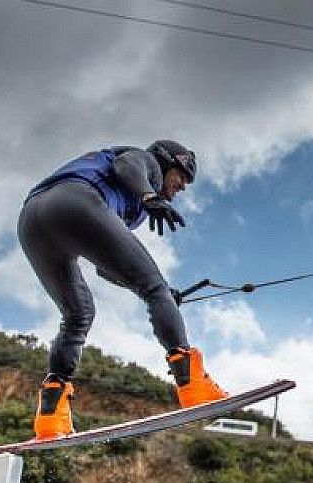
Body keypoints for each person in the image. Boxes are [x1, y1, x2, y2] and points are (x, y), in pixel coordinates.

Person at [18, 140, 228, 439]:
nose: (182, 186)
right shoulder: (146, 163)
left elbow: (107, 270)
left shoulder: (130, 200)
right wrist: (149, 196)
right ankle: (192, 385)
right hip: (75, 200)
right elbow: (126, 165)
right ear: (166, 162)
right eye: (181, 176)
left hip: (32, 221)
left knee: (78, 315)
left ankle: (50, 414)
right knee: (153, 287)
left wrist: (166, 293)